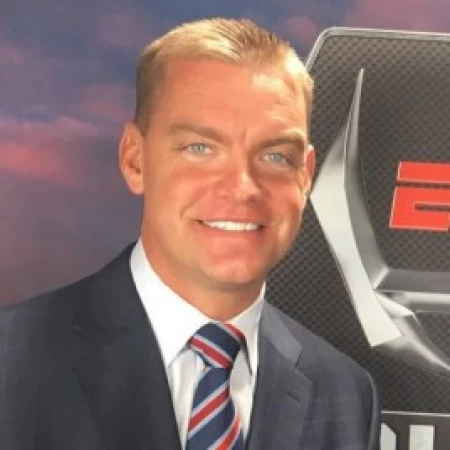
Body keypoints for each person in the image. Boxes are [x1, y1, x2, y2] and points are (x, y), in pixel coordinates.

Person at [0, 18, 380, 450]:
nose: (243, 187)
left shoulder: (346, 395)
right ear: (135, 159)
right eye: (200, 148)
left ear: (306, 175)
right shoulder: (11, 360)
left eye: (275, 155)